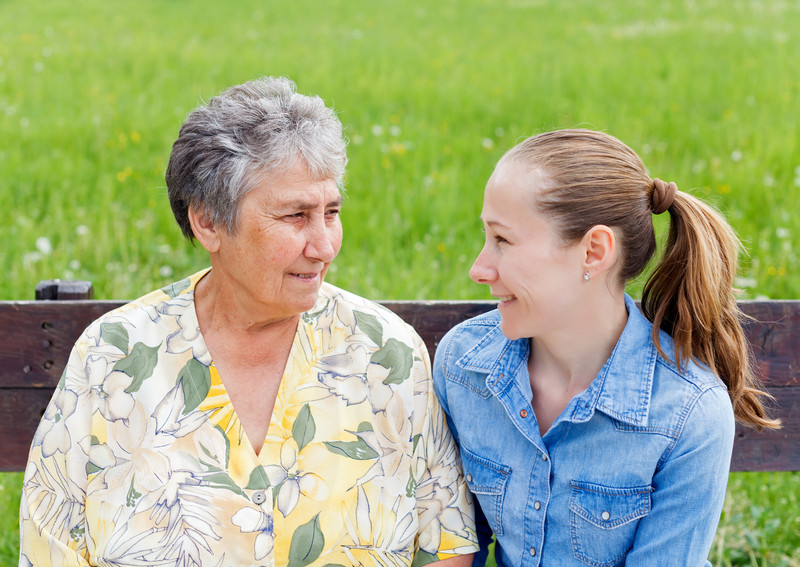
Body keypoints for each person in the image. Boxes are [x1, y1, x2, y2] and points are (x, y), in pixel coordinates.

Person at [20, 77, 477, 566]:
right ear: (208, 223)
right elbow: (52, 544)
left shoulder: (387, 353)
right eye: (296, 216)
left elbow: (444, 542)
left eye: (332, 211)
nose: (323, 246)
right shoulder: (115, 355)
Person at [432, 128, 780, 566]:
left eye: (503, 240)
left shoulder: (688, 413)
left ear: (594, 252)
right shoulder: (464, 366)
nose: (478, 268)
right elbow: (456, 540)